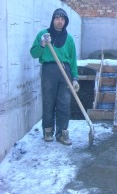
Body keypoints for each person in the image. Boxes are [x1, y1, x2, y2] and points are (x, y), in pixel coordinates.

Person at [30, 8, 80, 145]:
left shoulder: (69, 39)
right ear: (53, 20)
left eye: (63, 19)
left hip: (65, 72)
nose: (60, 21)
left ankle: (62, 134)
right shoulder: (43, 35)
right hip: (49, 71)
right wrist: (42, 44)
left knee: (64, 104)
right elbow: (34, 54)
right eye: (57, 18)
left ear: (66, 21)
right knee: (48, 102)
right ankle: (48, 131)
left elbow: (73, 60)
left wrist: (75, 78)